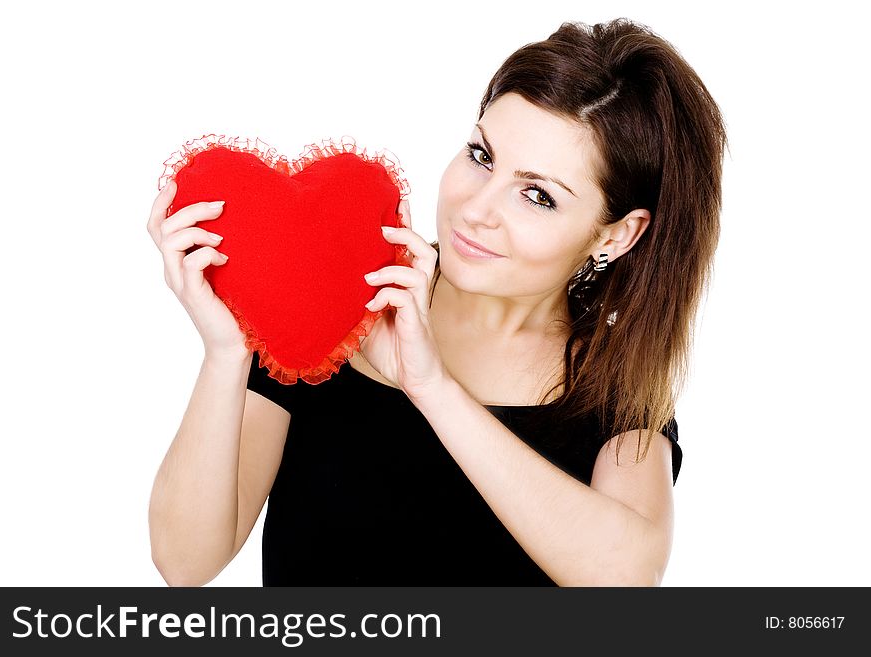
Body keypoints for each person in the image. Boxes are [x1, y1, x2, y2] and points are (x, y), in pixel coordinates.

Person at [147, 18, 725, 587]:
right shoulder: (341, 299)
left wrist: (433, 389)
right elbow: (185, 563)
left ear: (616, 234)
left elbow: (625, 581)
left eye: (537, 196)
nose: (476, 209)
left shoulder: (617, 384)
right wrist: (226, 353)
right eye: (481, 156)